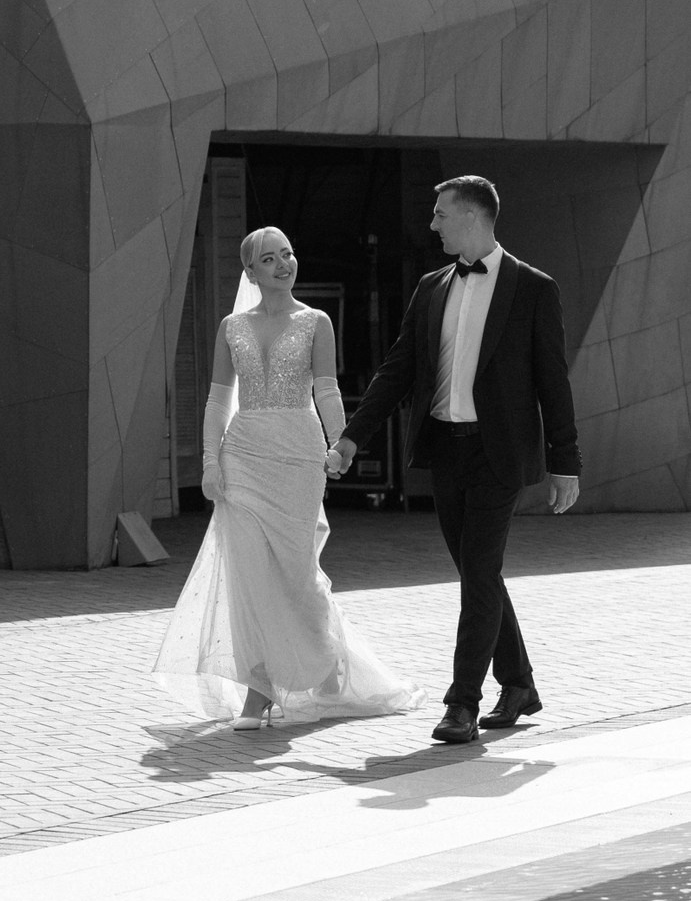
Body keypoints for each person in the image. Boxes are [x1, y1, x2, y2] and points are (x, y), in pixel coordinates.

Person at [330, 174, 580, 747]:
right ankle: (519, 684)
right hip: (446, 448)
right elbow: (397, 371)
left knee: (479, 572)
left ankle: (462, 703)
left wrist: (565, 461)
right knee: (478, 572)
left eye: (441, 213)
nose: (433, 223)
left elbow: (553, 381)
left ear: (471, 215)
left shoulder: (533, 288)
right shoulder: (430, 287)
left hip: (499, 453)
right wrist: (350, 439)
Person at [153, 225, 420, 729]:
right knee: (249, 575)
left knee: (297, 574)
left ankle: (325, 655)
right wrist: (209, 463)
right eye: (270, 259)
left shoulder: (316, 321)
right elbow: (217, 400)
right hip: (243, 456)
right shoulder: (231, 326)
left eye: (288, 254)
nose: (284, 264)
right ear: (250, 272)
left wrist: (341, 442)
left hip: (299, 455)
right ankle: (259, 690)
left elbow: (327, 390)